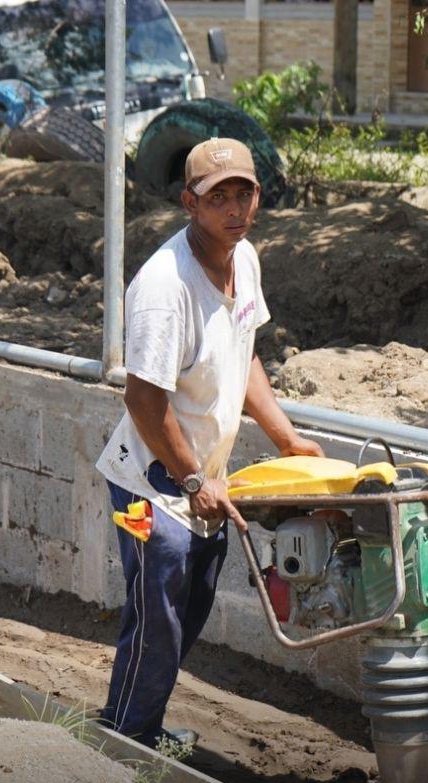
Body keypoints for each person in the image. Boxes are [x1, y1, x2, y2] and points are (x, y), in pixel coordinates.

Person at [95, 136, 322, 750]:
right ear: (188, 203)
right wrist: (193, 480)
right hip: (148, 484)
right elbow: (143, 401)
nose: (234, 209)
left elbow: (242, 352)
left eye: (243, 193)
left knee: (188, 610)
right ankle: (125, 739)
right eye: (216, 197)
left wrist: (287, 437)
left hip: (203, 482)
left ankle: (133, 723)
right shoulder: (164, 288)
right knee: (158, 613)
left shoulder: (243, 259)